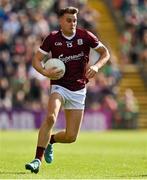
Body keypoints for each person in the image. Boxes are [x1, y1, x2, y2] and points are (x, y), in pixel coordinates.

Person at [25, 6, 110, 173]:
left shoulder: (85, 36)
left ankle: (51, 141)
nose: (72, 23)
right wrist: (44, 72)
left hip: (79, 88)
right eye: (69, 20)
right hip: (59, 85)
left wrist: (97, 66)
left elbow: (105, 53)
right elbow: (36, 60)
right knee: (50, 117)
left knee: (71, 137)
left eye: (75, 21)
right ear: (60, 21)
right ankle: (37, 160)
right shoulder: (52, 39)